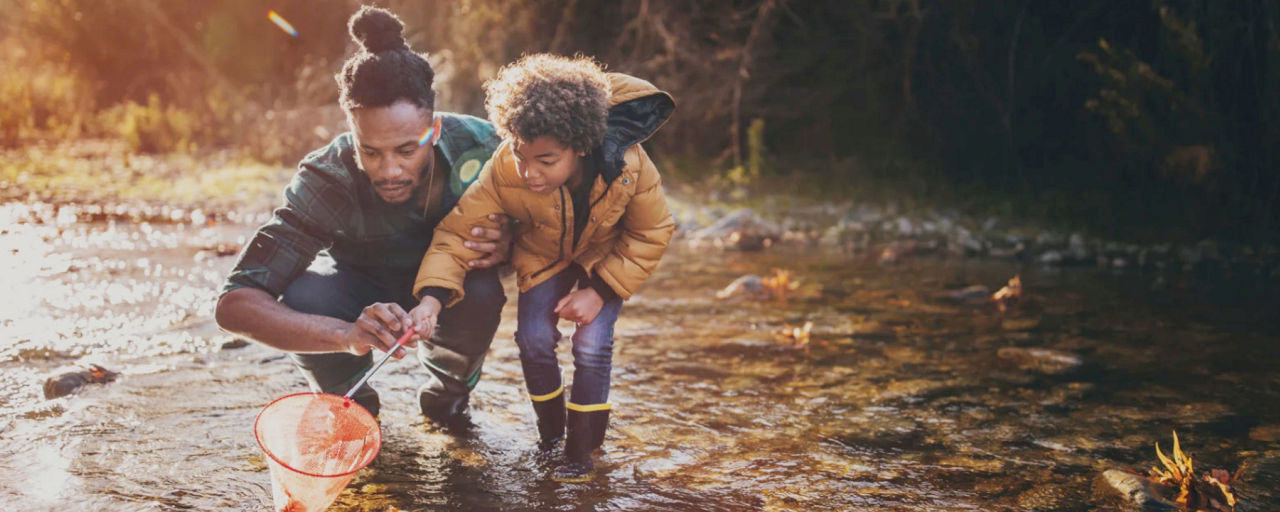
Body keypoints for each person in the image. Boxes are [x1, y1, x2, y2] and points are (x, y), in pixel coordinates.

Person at [214, 6, 510, 428]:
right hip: (354, 294)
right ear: (351, 130)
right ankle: (354, 412)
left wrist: (511, 246)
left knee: (484, 292)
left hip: (454, 293)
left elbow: (562, 228)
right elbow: (234, 304)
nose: (389, 171)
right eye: (370, 151)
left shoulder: (486, 149)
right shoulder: (327, 176)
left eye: (407, 150)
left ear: (435, 130)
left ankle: (448, 399)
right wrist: (344, 337)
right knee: (305, 296)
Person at [407, 54, 676, 482]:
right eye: (520, 155)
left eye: (546, 161)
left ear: (581, 146)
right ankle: (550, 439)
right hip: (541, 256)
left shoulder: (630, 166)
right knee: (532, 339)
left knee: (591, 344)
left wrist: (601, 292)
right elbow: (456, 234)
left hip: (603, 261)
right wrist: (431, 300)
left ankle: (581, 451)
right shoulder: (503, 169)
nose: (530, 173)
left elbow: (653, 231)